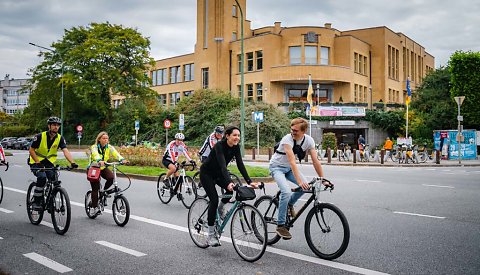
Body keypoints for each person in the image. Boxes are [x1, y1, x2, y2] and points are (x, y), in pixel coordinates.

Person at [200, 126, 259, 247]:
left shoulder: (236, 147)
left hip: (219, 174)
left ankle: (220, 209)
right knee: (214, 200)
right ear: (227, 136)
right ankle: (211, 235)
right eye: (234, 135)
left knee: (230, 193)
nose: (237, 138)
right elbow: (223, 166)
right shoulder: (219, 146)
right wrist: (228, 182)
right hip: (207, 174)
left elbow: (240, 164)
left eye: (238, 135)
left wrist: (249, 181)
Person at [269, 118, 326, 240]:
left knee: (305, 187)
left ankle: (290, 204)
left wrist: (322, 178)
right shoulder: (287, 139)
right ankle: (280, 225)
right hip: (277, 167)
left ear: (304, 131)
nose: (292, 132)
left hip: (289, 169)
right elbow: (292, 161)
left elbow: (315, 160)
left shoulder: (309, 141)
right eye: (292, 130)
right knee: (286, 191)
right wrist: (300, 182)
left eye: (295, 131)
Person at [29, 117, 78, 210]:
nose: (56, 127)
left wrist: (72, 162)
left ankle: (51, 200)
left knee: (54, 180)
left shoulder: (60, 138)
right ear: (49, 126)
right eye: (54, 125)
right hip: (36, 162)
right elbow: (31, 150)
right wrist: (38, 162)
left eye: (58, 125)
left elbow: (65, 151)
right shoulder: (40, 136)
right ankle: (36, 201)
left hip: (49, 163)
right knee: (42, 177)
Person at [88, 131, 128, 216]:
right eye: (104, 138)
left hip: (102, 167)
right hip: (93, 168)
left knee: (111, 178)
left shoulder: (109, 147)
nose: (106, 140)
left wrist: (122, 160)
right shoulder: (94, 147)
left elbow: (116, 154)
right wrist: (99, 160)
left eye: (107, 138)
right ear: (99, 139)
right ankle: (95, 207)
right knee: (95, 188)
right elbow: (95, 155)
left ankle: (104, 192)